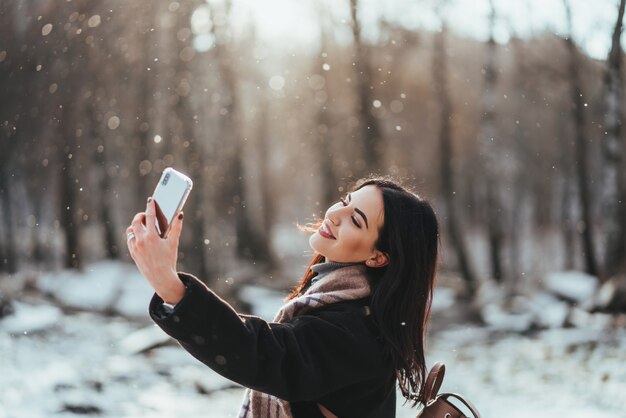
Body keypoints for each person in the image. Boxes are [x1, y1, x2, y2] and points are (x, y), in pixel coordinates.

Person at [126, 177, 439, 418]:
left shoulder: (359, 333)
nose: (335, 213)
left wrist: (172, 288)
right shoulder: (338, 302)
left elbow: (263, 354)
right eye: (345, 200)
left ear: (378, 257)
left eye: (357, 220)